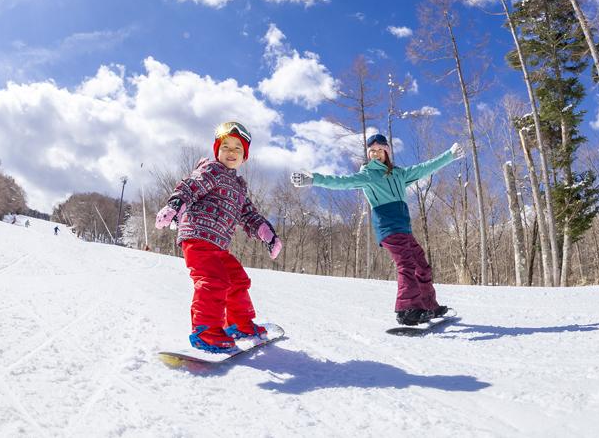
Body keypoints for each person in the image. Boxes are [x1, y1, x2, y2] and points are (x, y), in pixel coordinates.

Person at [291, 133, 463, 326]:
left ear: (387, 151)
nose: (375, 154)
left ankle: (428, 305)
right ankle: (407, 309)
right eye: (371, 151)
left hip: (404, 228)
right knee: (407, 264)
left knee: (421, 264)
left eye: (379, 150)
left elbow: (425, 168)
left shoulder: (399, 174)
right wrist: (313, 179)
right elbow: (340, 181)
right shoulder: (368, 175)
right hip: (388, 227)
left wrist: (449, 155)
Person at [155, 121, 283, 353]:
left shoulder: (239, 186)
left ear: (245, 156)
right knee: (214, 280)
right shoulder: (211, 169)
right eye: (226, 146)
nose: (231, 152)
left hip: (218, 244)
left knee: (237, 279)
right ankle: (206, 331)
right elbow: (191, 186)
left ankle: (239, 324)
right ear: (217, 150)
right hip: (197, 236)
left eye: (238, 148)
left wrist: (268, 234)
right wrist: (175, 205)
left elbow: (249, 214)